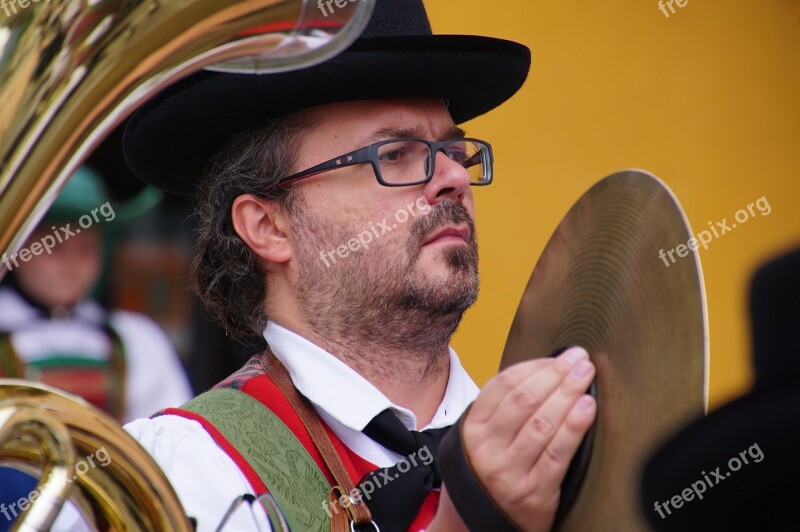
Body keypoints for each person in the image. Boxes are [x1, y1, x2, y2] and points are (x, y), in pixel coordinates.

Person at [122, 1, 597, 530]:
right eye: (394, 154)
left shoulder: (557, 441)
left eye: (454, 150)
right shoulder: (179, 471)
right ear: (268, 226)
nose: (454, 178)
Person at [0, 166, 193, 422]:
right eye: (55, 248)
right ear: (19, 250)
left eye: (86, 249)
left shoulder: (137, 339)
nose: (72, 264)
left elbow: (167, 432)